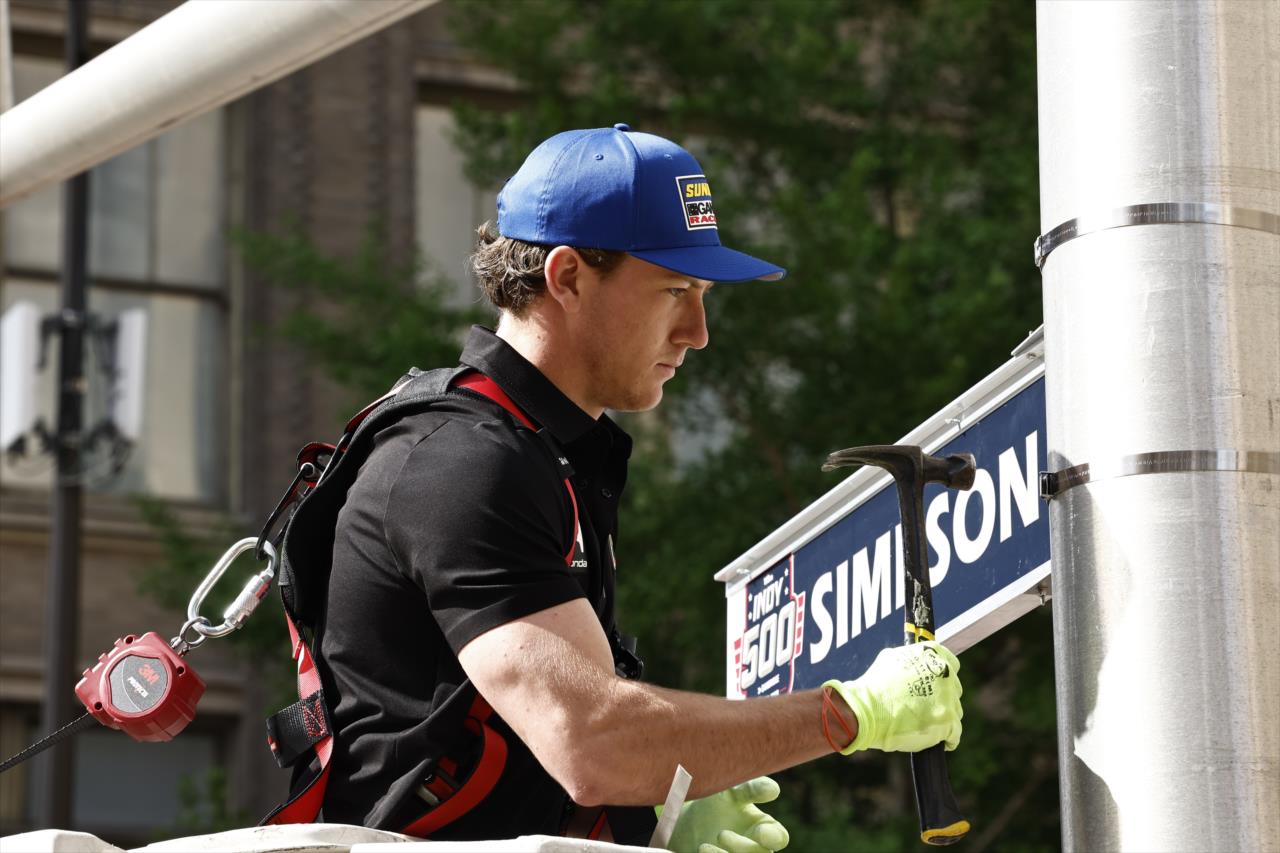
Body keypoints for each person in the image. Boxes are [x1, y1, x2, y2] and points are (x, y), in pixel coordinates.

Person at [315, 124, 964, 850]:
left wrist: (656, 804)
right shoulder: (464, 461)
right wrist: (849, 713)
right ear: (566, 277)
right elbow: (590, 741)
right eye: (675, 290)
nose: (698, 330)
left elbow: (565, 743)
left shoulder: (543, 452)